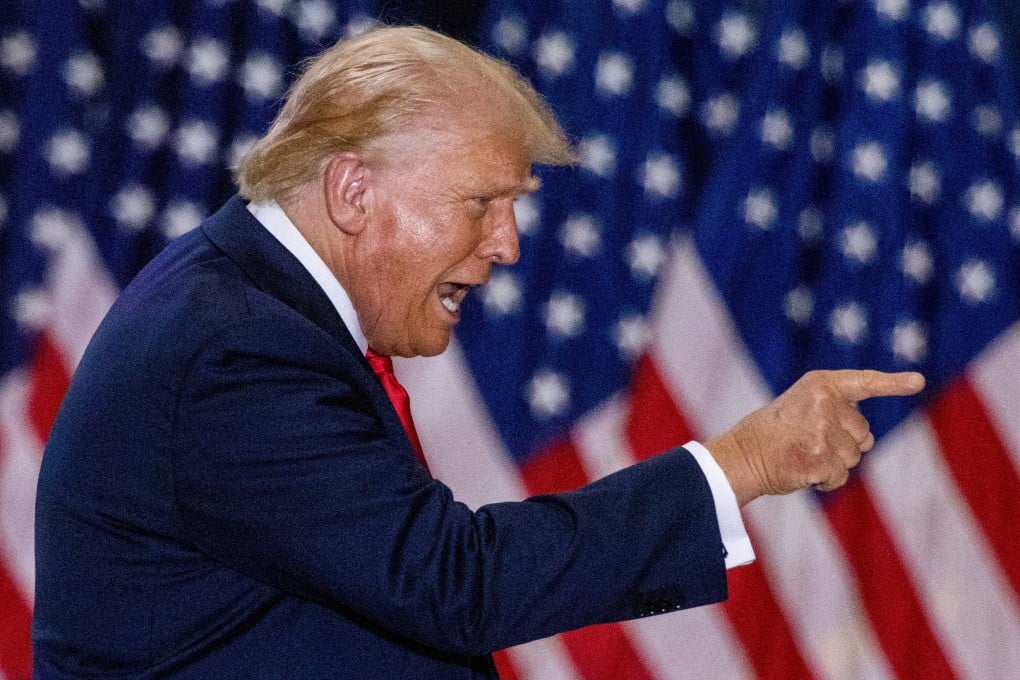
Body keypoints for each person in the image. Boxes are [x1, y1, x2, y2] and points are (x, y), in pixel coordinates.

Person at [32, 25, 923, 679]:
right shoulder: (235, 350)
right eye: (481, 202)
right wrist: (747, 460)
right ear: (354, 190)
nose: (508, 245)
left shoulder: (252, 307)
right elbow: (456, 584)